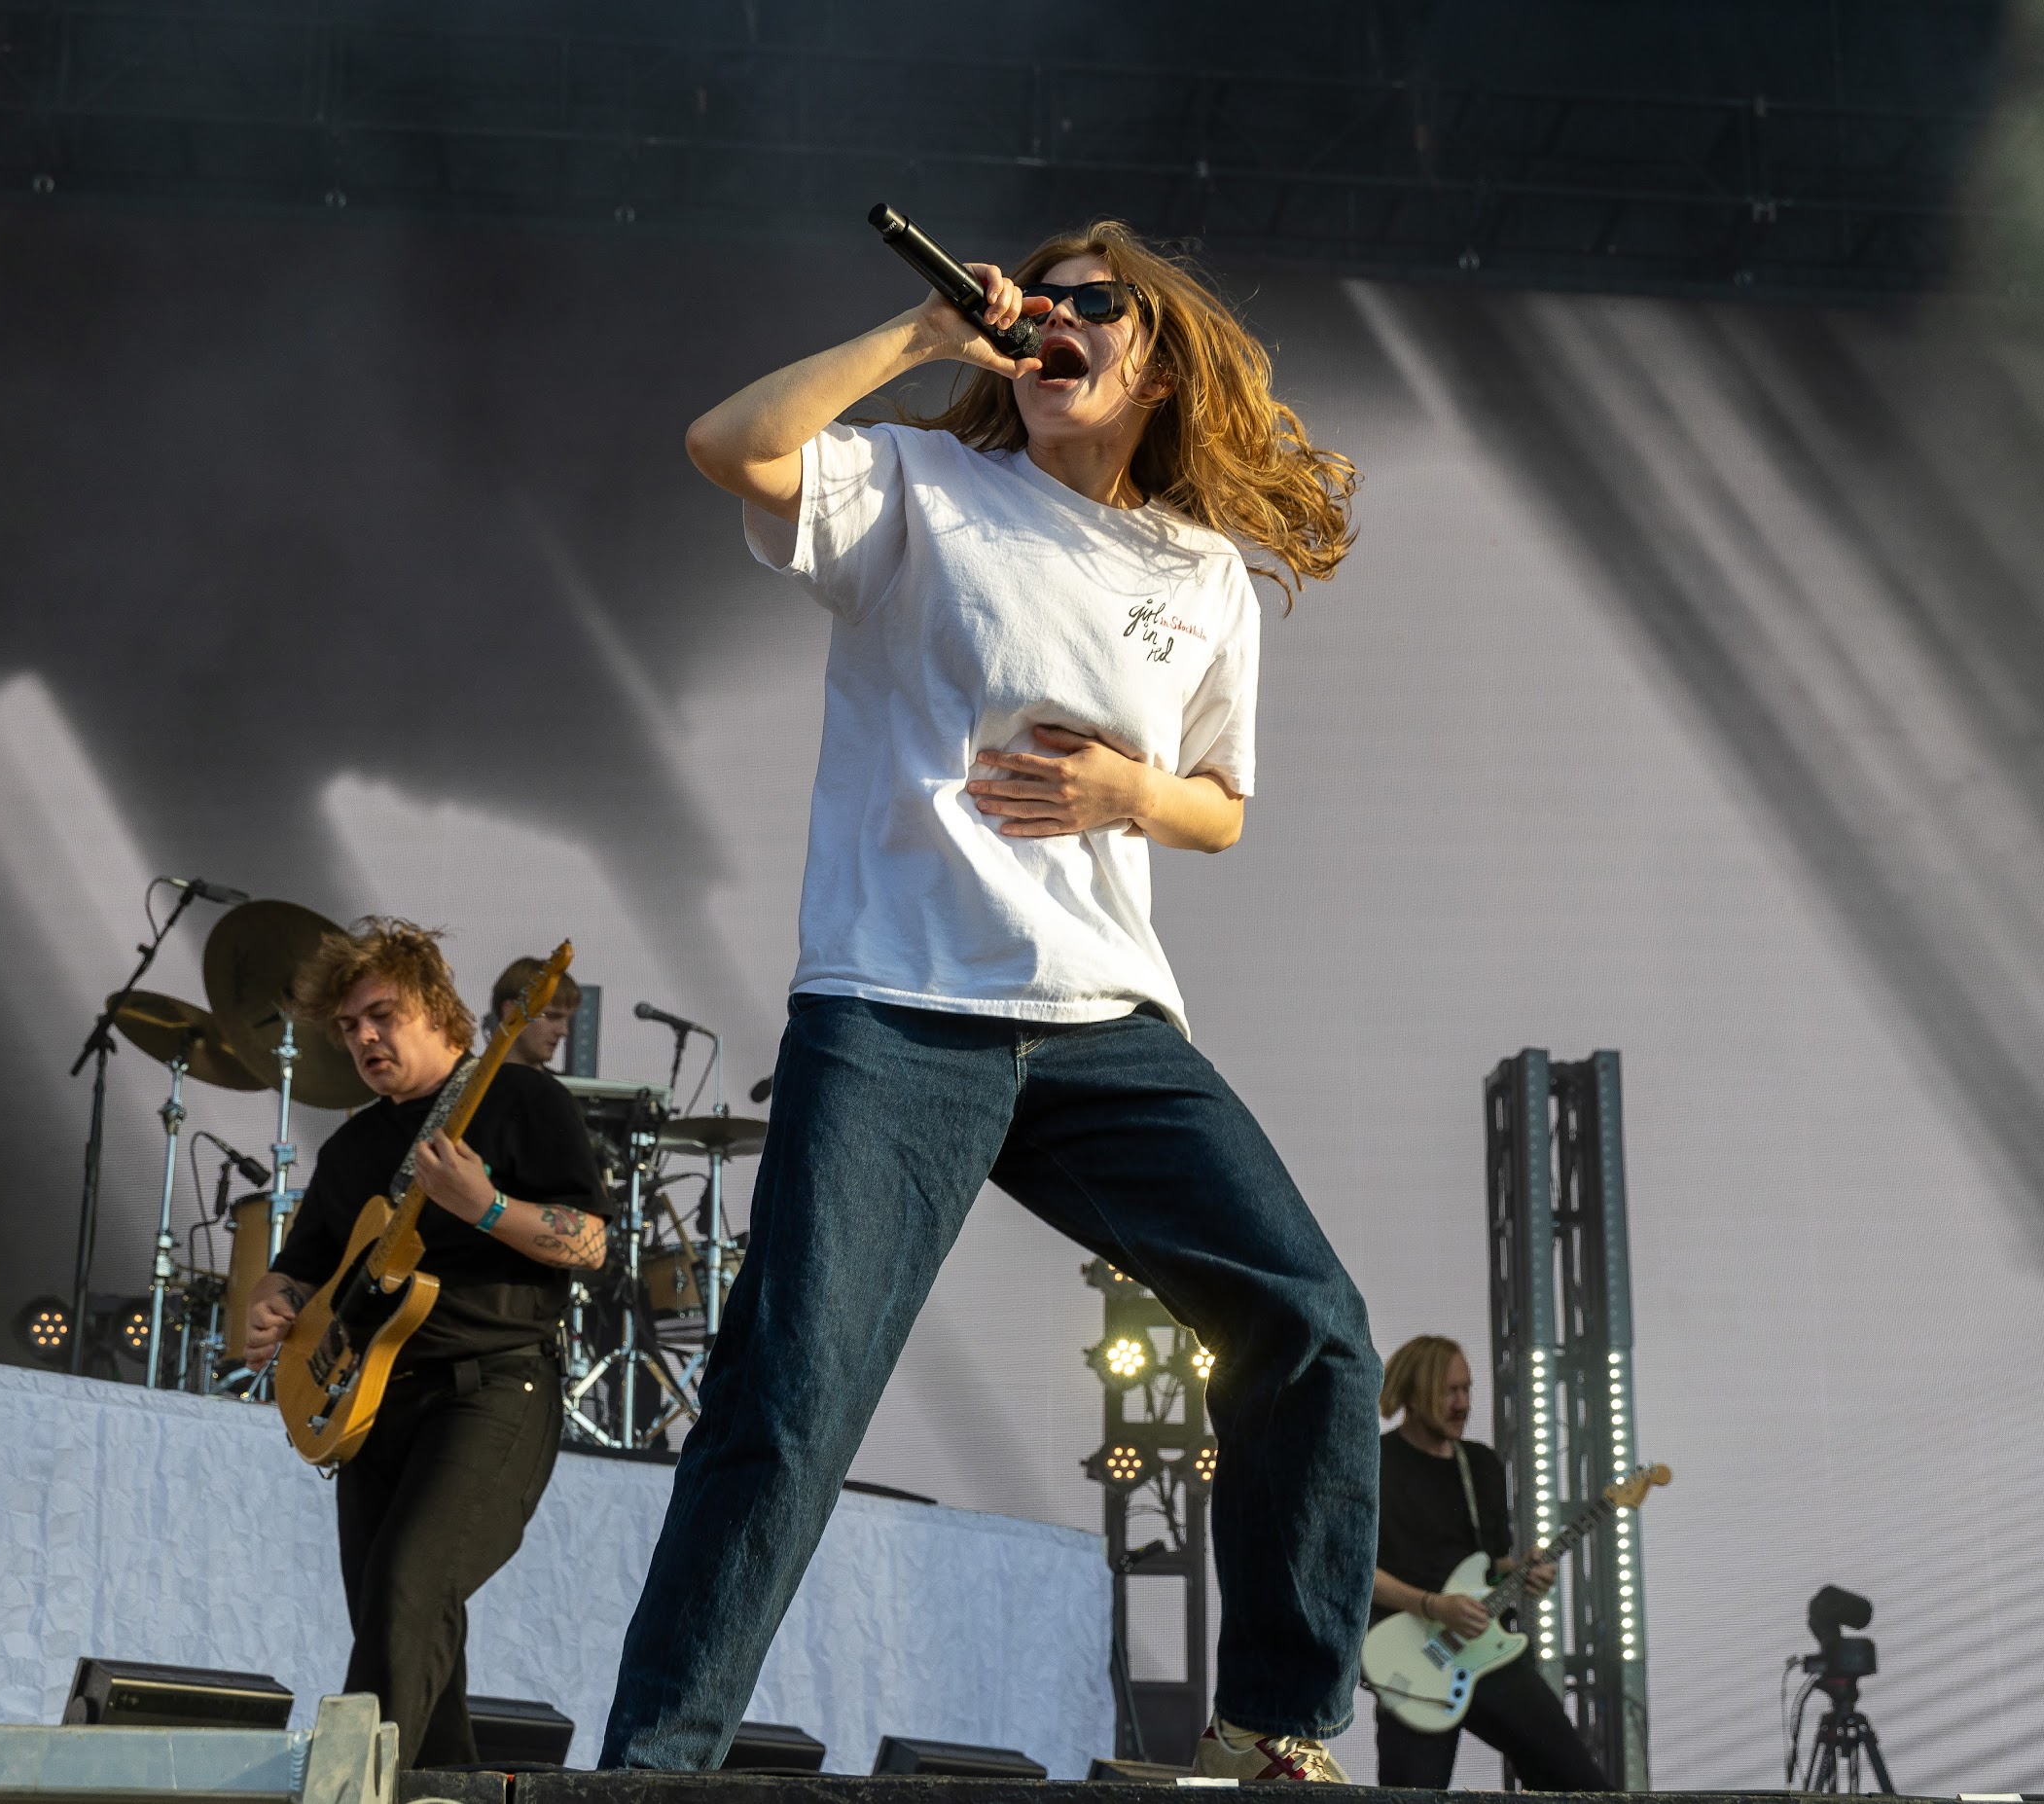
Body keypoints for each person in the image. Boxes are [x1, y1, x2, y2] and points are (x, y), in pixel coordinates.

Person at [598, 220, 1376, 1783]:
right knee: (794, 1393)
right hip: (895, 1009)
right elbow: (724, 444)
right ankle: (656, 1758)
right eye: (1036, 300)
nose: (1049, 320)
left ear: (1153, 358)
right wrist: (920, 338)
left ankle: (1273, 1726)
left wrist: (1123, 788)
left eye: (1090, 305)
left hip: (1101, 1023)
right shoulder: (916, 488)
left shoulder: (1198, 572)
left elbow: (1221, 804)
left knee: (1309, 1325)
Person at [242, 918, 609, 1769]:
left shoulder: (521, 1101)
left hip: (491, 1393)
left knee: (408, 1589)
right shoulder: (348, 1150)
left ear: (439, 1010)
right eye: (348, 1027)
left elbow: (590, 1242)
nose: (363, 1037)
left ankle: (349, 1788)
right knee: (396, 1614)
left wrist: (485, 1206)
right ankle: (445, 1790)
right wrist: (273, 1305)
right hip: (372, 1412)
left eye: (381, 1014)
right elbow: (297, 1272)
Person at [1370, 1334, 1611, 1790]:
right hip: (1409, 1656)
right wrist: (1432, 1606)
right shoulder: (1377, 1464)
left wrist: (1524, 1572)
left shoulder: (1480, 1464)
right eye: (1450, 1391)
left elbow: (1493, 1564)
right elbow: (1356, 1574)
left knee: (1581, 1784)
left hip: (1488, 1650)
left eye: (1468, 1389)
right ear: (1416, 1394)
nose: (1462, 1403)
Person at [489, 955, 581, 1071]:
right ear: (511, 1012)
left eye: (567, 1019)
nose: (563, 1031)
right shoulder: (464, 1081)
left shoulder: (558, 1089)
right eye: (552, 1017)